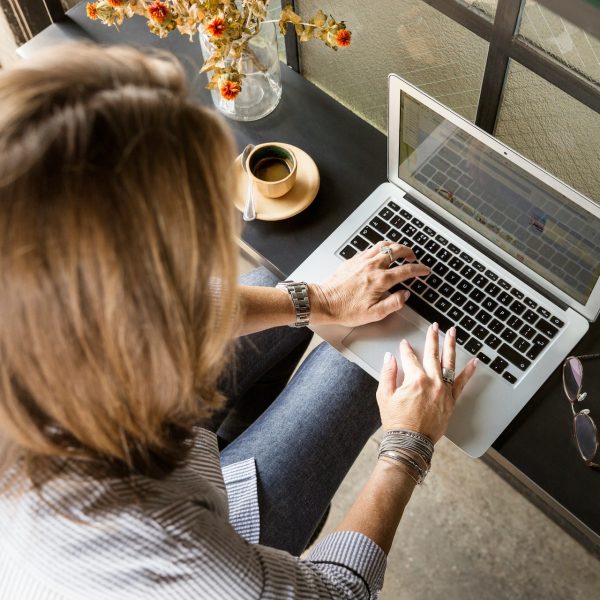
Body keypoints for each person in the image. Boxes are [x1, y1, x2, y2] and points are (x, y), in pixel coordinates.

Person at [0, 44, 477, 599]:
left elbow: (178, 304)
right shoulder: (162, 548)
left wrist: (315, 298)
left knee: (282, 294)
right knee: (373, 364)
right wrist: (407, 447)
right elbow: (334, 593)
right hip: (207, 534)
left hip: (130, 435)